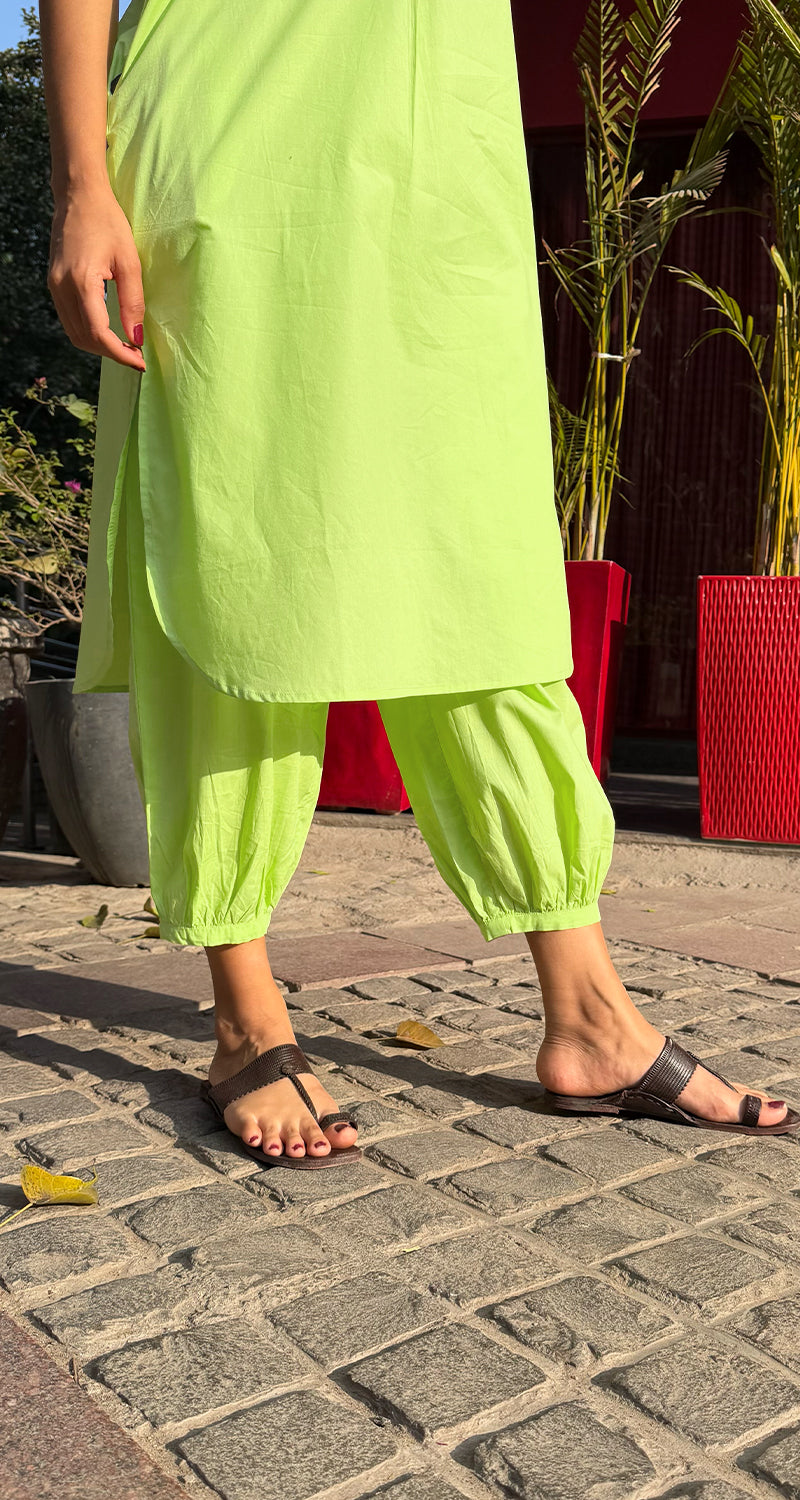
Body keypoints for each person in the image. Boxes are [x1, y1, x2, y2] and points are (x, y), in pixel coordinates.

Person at [40, 0, 798, 1169]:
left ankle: (589, 1013)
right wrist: (82, 182)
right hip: (232, 136)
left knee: (474, 567)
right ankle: (246, 1018)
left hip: (436, 151)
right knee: (234, 550)